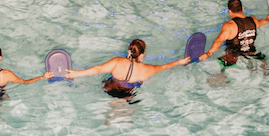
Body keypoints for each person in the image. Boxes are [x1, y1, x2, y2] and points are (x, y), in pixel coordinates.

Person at [61, 38, 190, 98]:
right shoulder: (147, 70)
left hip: (109, 87)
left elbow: (98, 69)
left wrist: (77, 74)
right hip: (128, 94)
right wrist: (180, 61)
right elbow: (165, 66)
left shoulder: (117, 62)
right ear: (142, 55)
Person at [201, 0, 269, 67]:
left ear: (229, 11)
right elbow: (262, 22)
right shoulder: (253, 20)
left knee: (220, 69)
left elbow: (218, 41)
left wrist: (208, 53)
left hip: (234, 57)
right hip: (253, 54)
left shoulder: (229, 26)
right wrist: (268, 19)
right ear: (243, 8)